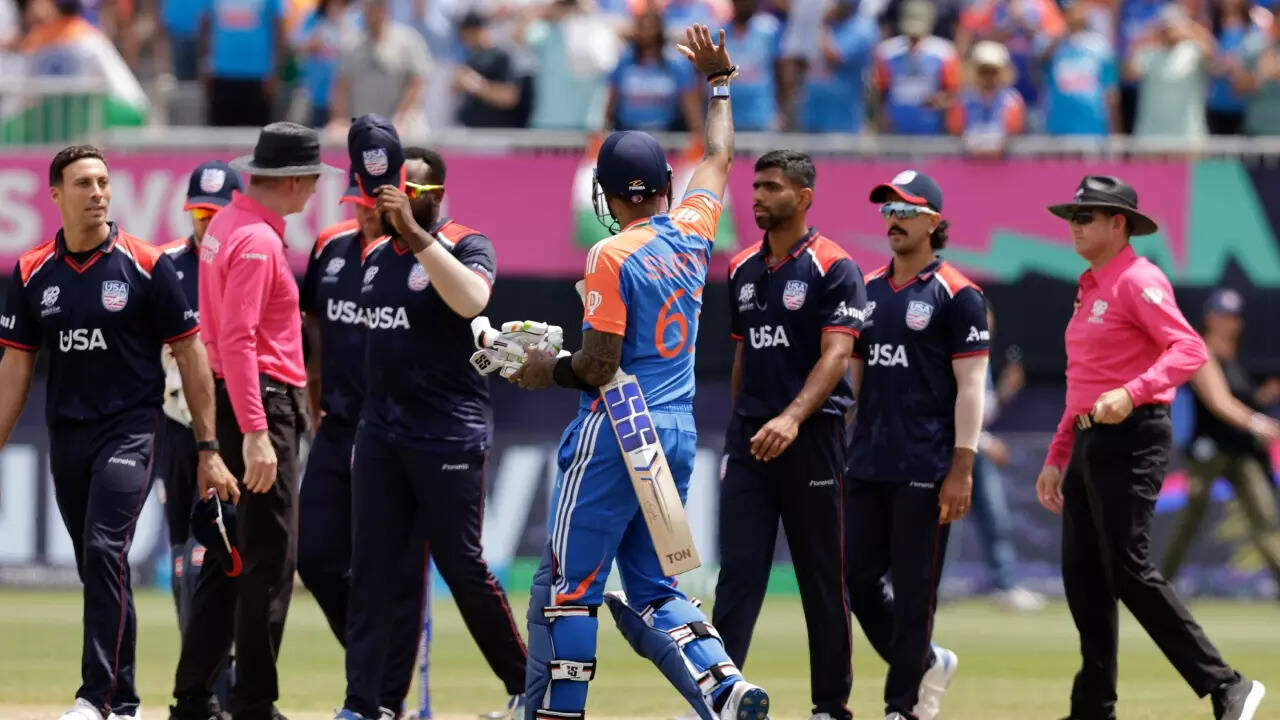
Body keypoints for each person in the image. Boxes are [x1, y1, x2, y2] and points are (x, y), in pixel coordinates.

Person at [507, 24, 770, 720]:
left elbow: (599, 365)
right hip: (675, 430)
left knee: (568, 587)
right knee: (655, 588)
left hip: (617, 426)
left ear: (607, 196)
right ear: (662, 187)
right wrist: (719, 84)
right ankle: (725, 687)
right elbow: (719, 154)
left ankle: (556, 713)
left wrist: (542, 370)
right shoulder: (693, 233)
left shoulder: (611, 255)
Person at [0, 144, 235, 720]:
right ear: (56, 194)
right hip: (67, 434)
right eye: (84, 183)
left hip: (131, 429)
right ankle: (123, 702)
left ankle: (97, 698)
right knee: (97, 565)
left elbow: (191, 354)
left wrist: (208, 448)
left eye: (103, 182)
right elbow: (15, 367)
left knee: (106, 548)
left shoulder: (147, 264)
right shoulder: (31, 272)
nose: (98, 193)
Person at [1036, 175, 1266, 720]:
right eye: (1073, 216)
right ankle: (1093, 708)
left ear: (1119, 224)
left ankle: (1227, 684)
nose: (1075, 226)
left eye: (1086, 217)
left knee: (1128, 568)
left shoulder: (1138, 279)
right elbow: (1084, 381)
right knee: (1084, 578)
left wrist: (1133, 392)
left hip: (1132, 435)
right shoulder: (1090, 285)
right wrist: (1058, 454)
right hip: (1090, 437)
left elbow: (1189, 349)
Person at [334, 118, 528, 720]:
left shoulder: (469, 243)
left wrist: (417, 234)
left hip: (448, 434)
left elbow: (472, 300)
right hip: (382, 434)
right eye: (390, 191)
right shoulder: (374, 257)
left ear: (435, 194)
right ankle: (365, 703)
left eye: (408, 192)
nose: (392, 201)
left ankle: (528, 685)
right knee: (373, 571)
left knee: (462, 566)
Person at [171, 122, 337, 720]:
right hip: (263, 400)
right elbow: (241, 339)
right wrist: (259, 432)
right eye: (312, 179)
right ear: (292, 181)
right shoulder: (259, 242)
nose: (315, 189)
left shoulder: (225, 227)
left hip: (238, 395)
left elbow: (224, 337)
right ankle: (253, 703)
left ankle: (194, 698)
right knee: (270, 560)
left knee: (230, 558)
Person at [715, 149, 864, 720]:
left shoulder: (834, 266)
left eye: (772, 187)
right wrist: (740, 429)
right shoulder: (741, 267)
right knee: (738, 577)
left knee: (822, 577)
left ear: (803, 198)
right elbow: (743, 357)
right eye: (756, 186)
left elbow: (838, 354)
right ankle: (718, 698)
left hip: (812, 439)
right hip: (751, 442)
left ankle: (831, 705)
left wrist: (793, 417)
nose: (758, 196)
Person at [845, 169, 988, 720]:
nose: (894, 220)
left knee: (914, 594)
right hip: (867, 462)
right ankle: (927, 661)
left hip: (926, 465)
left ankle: (900, 706)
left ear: (934, 221)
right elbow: (855, 380)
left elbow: (971, 387)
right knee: (855, 578)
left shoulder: (959, 294)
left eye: (906, 211)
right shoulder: (866, 289)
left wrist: (962, 468)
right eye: (888, 210)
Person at [155, 160, 242, 635]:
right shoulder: (164, 263)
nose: (207, 222)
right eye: (200, 213)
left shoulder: (251, 260)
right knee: (181, 549)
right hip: (177, 422)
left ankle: (223, 664)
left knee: (224, 546)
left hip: (234, 423)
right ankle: (201, 665)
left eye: (217, 214)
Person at [1160, 288, 1280, 594]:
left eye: (1234, 317)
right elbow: (1220, 402)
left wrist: (1262, 398)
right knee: (1190, 520)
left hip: (1241, 451)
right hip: (1208, 452)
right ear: (1209, 318)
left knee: (1265, 518)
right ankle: (1158, 587)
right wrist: (1257, 422)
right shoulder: (1199, 351)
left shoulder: (1235, 358)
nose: (1228, 322)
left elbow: (1240, 399)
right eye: (1222, 315)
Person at [966, 301, 1046, 612]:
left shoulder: (983, 359)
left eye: (989, 321)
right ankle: (918, 584)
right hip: (953, 450)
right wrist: (985, 443)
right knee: (938, 523)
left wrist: (1004, 392)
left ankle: (1005, 583)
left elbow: (982, 412)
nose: (986, 327)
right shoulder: (956, 354)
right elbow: (951, 409)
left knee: (995, 518)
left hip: (976, 451)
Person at [328, 0, 432, 138]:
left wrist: (400, 118)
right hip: (365, 129)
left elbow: (417, 82)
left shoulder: (408, 40)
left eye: (375, 7)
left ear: (385, 9)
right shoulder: (351, 44)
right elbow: (341, 87)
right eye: (367, 7)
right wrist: (340, 120)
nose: (370, 12)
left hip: (403, 129)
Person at [1125, 3, 1215, 140]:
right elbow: (1130, 74)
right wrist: (1143, 37)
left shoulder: (1194, 52)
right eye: (1166, 26)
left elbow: (1212, 55)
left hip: (1188, 135)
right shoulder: (1148, 53)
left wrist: (1191, 29)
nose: (1170, 31)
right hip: (1151, 136)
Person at [954, 0, 1063, 111]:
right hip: (1000, 85)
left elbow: (1058, 34)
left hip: (1034, 79)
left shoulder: (1041, 5)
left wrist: (1025, 23)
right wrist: (1006, 26)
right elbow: (972, 35)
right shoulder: (990, 7)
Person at [875, 0, 960, 135]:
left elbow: (953, 95)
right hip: (895, 130)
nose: (914, 39)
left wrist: (937, 100)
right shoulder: (887, 52)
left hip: (931, 130)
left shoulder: (945, 52)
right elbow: (880, 94)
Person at [607, 10, 701, 132]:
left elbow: (689, 102)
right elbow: (612, 97)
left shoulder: (675, 64)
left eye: (651, 28)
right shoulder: (624, 62)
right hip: (628, 132)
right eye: (642, 27)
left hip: (666, 134)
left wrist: (696, 131)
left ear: (660, 30)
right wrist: (604, 125)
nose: (646, 33)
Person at [1040, 0, 1120, 137]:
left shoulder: (1100, 46)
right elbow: (1038, 75)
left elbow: (1111, 94)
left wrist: (1115, 134)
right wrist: (1059, 38)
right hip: (1059, 131)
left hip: (1094, 130)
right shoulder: (1050, 46)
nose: (1074, 14)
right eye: (1068, 10)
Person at [798, 0, 879, 133]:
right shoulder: (832, 23)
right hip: (813, 114)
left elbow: (833, 57)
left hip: (842, 120)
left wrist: (821, 24)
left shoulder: (863, 27)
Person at [202, 0, 286, 127]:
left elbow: (279, 29)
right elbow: (205, 24)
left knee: (256, 134)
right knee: (220, 134)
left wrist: (275, 71)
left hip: (258, 76)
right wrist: (204, 63)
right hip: (221, 73)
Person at [947, 40, 1025, 156]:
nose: (988, 77)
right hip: (967, 163)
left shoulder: (1012, 101)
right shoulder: (961, 100)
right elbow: (955, 131)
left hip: (1003, 163)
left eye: (993, 72)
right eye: (983, 71)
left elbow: (1013, 134)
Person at [455, 10, 523, 129]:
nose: (464, 40)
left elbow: (510, 96)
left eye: (466, 34)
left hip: (495, 131)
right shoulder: (471, 57)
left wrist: (477, 85)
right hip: (470, 130)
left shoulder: (502, 56)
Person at [723, 0, 783, 131]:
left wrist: (781, 109)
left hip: (762, 116)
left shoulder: (769, 29)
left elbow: (781, 71)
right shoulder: (719, 34)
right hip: (727, 117)